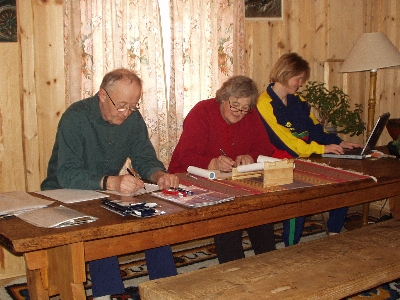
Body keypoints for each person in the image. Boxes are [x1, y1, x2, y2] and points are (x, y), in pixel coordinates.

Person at [41, 68, 179, 300]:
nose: (127, 113)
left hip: (103, 190)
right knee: (100, 228)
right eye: (122, 105)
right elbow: (67, 173)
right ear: (102, 95)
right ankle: (108, 293)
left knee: (153, 219)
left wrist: (158, 175)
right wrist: (112, 182)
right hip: (63, 192)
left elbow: (144, 157)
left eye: (134, 105)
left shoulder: (132, 118)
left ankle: (166, 289)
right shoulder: (75, 117)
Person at [168, 75, 292, 263]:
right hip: (191, 178)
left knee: (258, 207)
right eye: (234, 105)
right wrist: (213, 163)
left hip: (231, 180)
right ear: (223, 98)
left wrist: (250, 156)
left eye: (245, 108)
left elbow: (265, 147)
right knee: (229, 213)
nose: (239, 112)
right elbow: (185, 157)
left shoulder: (250, 115)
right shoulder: (202, 111)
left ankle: (268, 263)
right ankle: (233, 266)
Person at [256, 52, 362, 246]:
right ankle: (291, 246)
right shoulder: (264, 103)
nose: (300, 84)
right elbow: (285, 143)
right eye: (298, 79)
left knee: (344, 179)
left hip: (306, 154)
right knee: (301, 195)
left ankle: (335, 234)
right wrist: (321, 149)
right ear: (286, 74)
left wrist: (338, 142)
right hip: (280, 160)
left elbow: (314, 128)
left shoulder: (298, 101)